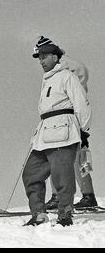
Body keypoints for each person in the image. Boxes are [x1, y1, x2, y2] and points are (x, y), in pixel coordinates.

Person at [22, 43, 91, 226]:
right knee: (31, 174)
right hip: (44, 134)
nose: (41, 61)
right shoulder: (47, 79)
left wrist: (84, 132)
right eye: (40, 58)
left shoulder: (67, 77)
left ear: (55, 57)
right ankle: (38, 214)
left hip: (63, 131)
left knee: (62, 176)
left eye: (44, 57)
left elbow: (81, 104)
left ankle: (65, 214)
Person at [34, 37, 97, 210]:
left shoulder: (66, 68)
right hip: (63, 120)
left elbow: (78, 87)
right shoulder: (60, 68)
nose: (40, 59)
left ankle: (74, 196)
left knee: (66, 159)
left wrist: (80, 123)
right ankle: (85, 194)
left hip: (69, 119)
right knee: (68, 159)